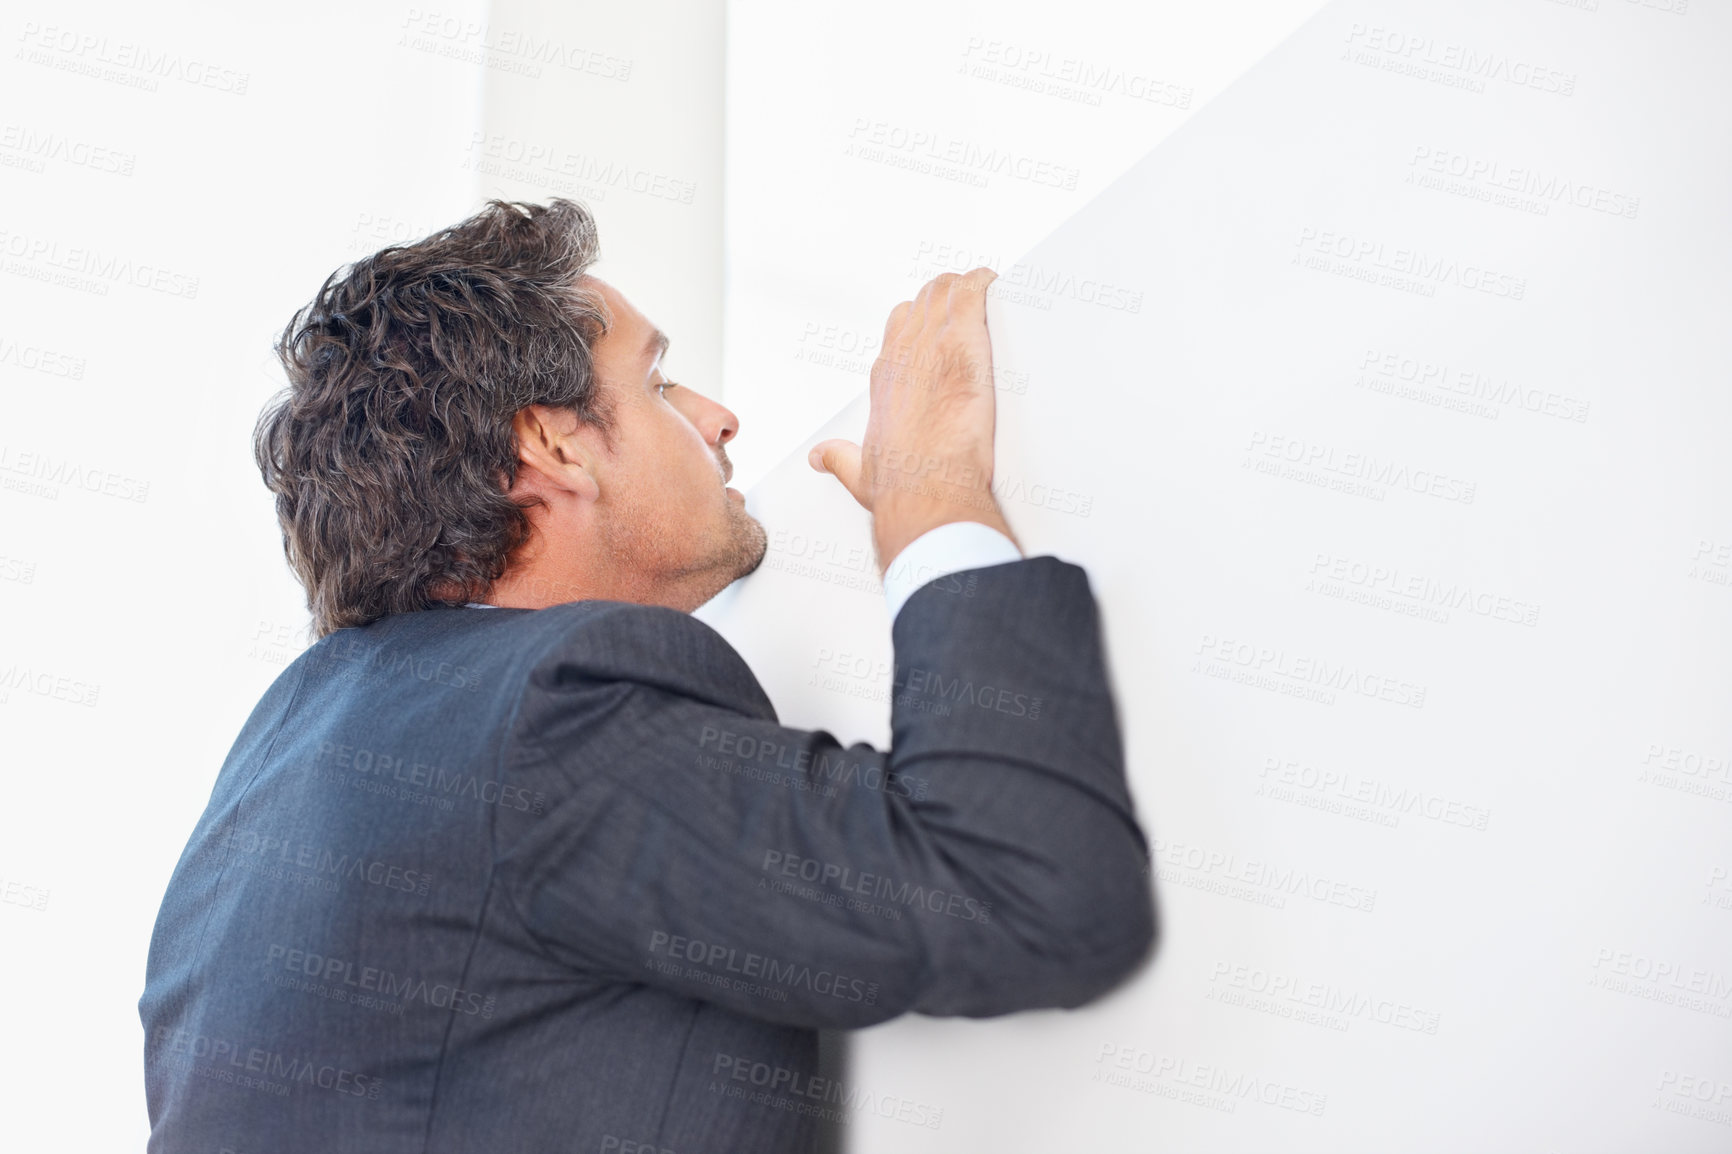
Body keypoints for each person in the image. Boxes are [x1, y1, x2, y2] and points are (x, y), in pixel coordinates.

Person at [138, 198, 1154, 1153]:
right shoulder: (550, 703)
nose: (717, 419)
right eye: (660, 381)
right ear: (551, 441)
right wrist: (934, 496)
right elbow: (1026, 888)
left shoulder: (266, 772)